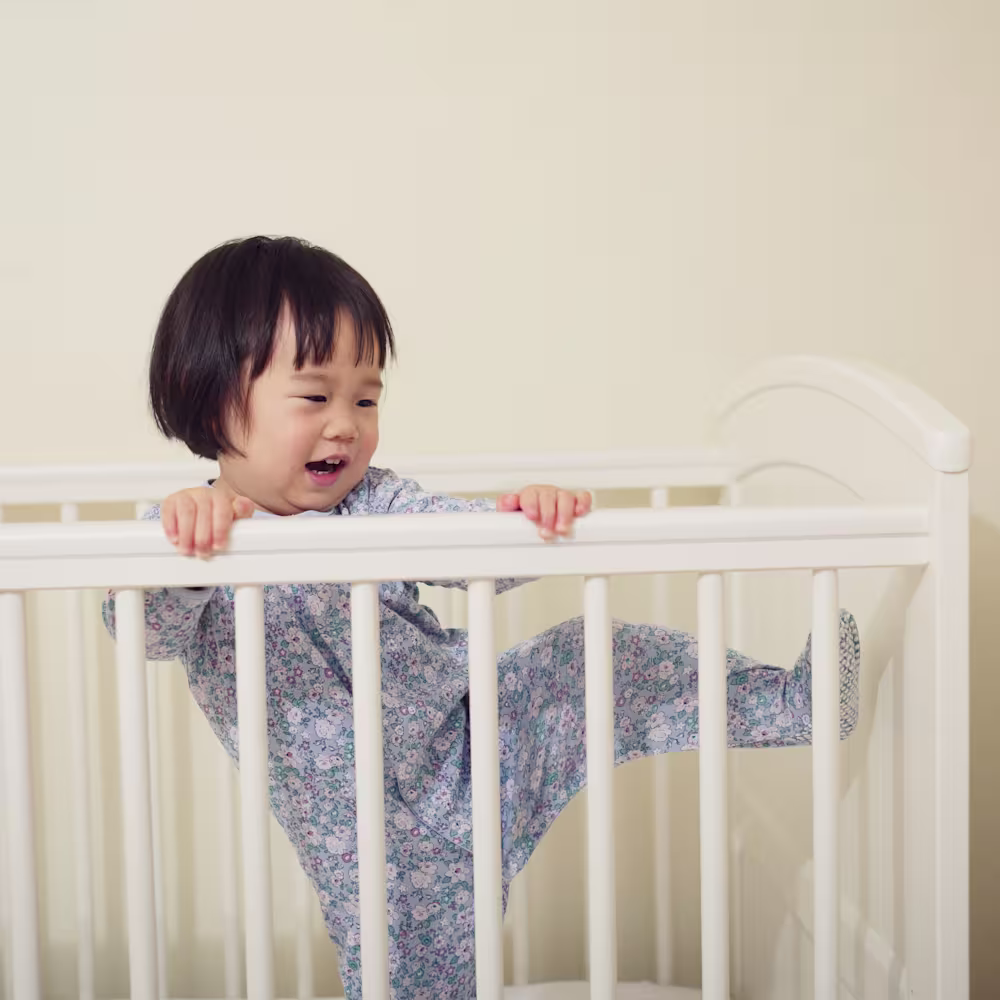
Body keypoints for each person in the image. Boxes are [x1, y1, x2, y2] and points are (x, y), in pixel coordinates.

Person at [102, 235, 860, 999]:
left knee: (593, 657)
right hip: (372, 834)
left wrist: (529, 523)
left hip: (482, 733)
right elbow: (144, 628)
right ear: (209, 399)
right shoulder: (188, 534)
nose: (347, 425)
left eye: (366, 399)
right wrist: (187, 543)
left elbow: (466, 551)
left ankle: (794, 702)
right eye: (314, 397)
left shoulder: (375, 501)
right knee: (417, 981)